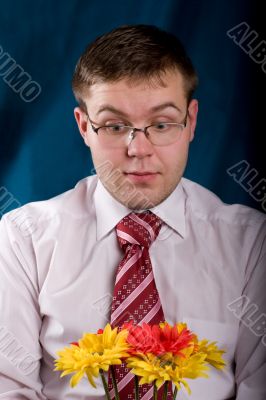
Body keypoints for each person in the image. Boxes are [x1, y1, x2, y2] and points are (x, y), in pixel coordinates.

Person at [0, 24, 265, 400]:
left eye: (161, 124)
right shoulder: (22, 237)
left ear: (191, 121)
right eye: (114, 125)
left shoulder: (251, 242)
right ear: (83, 127)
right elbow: (8, 387)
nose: (139, 149)